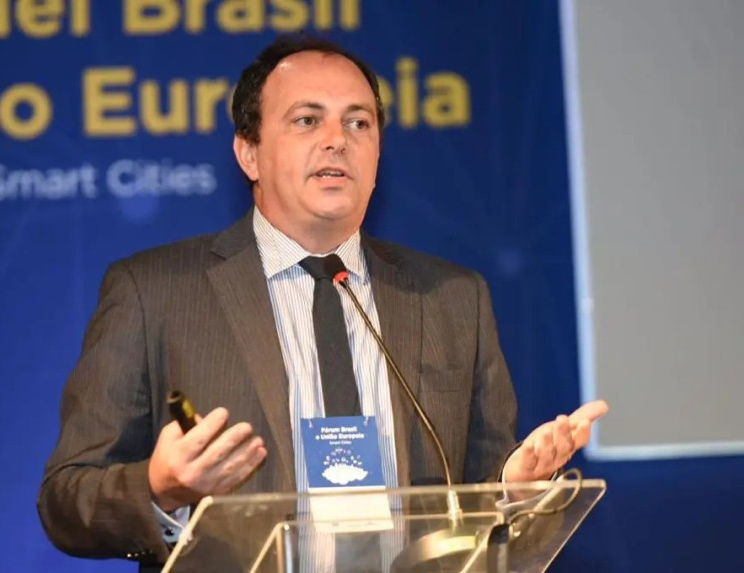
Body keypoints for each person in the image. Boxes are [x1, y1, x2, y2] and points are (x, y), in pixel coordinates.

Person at [37, 35, 608, 572]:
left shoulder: (454, 298)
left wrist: (512, 491)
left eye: (358, 122)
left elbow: (480, 496)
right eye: (307, 120)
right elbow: (66, 498)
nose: (337, 139)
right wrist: (161, 489)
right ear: (249, 153)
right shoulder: (154, 291)